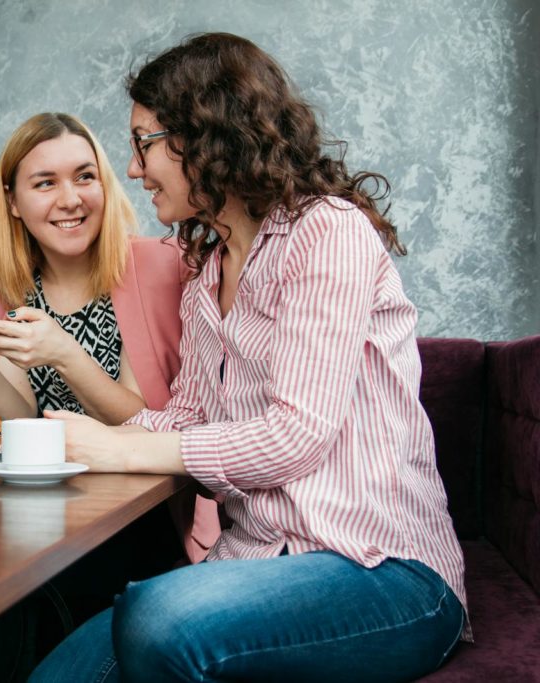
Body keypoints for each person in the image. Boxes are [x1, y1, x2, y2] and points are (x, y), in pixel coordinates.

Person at [29, 33, 469, 683]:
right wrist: (81, 438)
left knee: (158, 619)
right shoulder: (208, 275)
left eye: (144, 142)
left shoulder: (327, 231)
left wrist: (121, 449)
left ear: (207, 133)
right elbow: (188, 420)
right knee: (54, 675)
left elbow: (297, 434)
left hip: (385, 571)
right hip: (255, 560)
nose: (132, 168)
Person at [0, 112, 220, 559]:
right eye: (45, 183)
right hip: (26, 511)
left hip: (138, 518)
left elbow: (147, 426)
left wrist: (65, 353)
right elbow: (16, 422)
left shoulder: (163, 265)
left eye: (85, 177)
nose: (71, 200)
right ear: (12, 201)